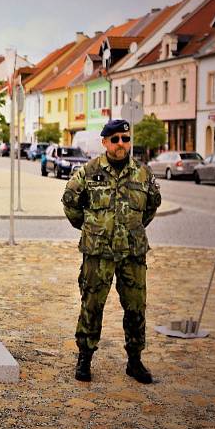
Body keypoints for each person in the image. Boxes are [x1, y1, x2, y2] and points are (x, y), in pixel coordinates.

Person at [62, 119, 161, 384]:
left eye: (125, 139)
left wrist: (130, 229)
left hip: (132, 253)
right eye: (115, 139)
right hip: (98, 253)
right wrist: (92, 228)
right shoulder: (88, 172)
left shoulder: (143, 174)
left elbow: (150, 208)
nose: (121, 144)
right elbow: (71, 204)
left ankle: (135, 360)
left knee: (136, 307)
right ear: (104, 142)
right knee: (92, 304)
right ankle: (85, 357)